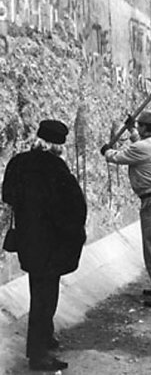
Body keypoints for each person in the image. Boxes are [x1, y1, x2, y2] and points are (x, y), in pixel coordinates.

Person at [2, 120, 87, 372]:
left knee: (38, 291)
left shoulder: (18, 162)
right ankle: (38, 355)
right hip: (52, 243)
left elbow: (7, 195)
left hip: (29, 240)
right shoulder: (56, 169)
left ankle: (46, 337)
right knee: (45, 298)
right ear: (58, 145)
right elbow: (74, 207)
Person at [101, 111, 151, 308]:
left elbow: (118, 157)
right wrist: (133, 129)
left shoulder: (142, 148)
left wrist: (106, 151)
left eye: (140, 127)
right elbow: (139, 145)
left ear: (145, 128)